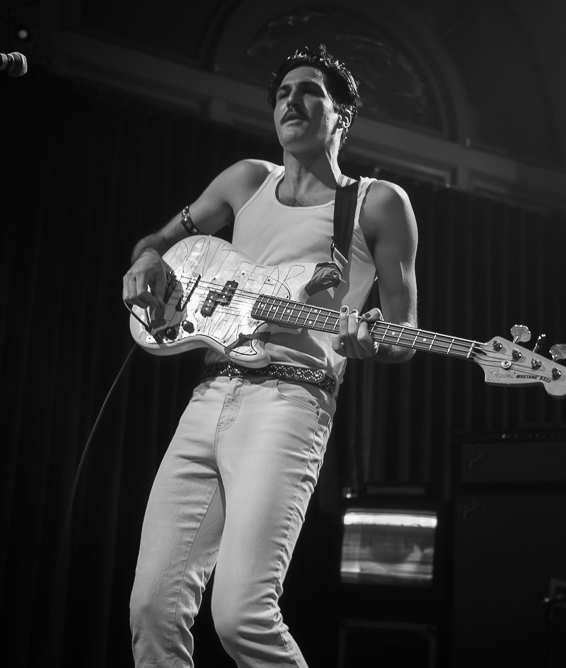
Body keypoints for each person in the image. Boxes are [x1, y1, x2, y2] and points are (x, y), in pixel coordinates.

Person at [122, 45, 419, 667]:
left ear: (342, 115)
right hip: (208, 396)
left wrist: (374, 342)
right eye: (283, 92)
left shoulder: (377, 203)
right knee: (152, 607)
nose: (292, 101)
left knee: (241, 615)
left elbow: (402, 331)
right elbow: (158, 241)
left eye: (309, 91)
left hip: (290, 403)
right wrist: (147, 258)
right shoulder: (244, 180)